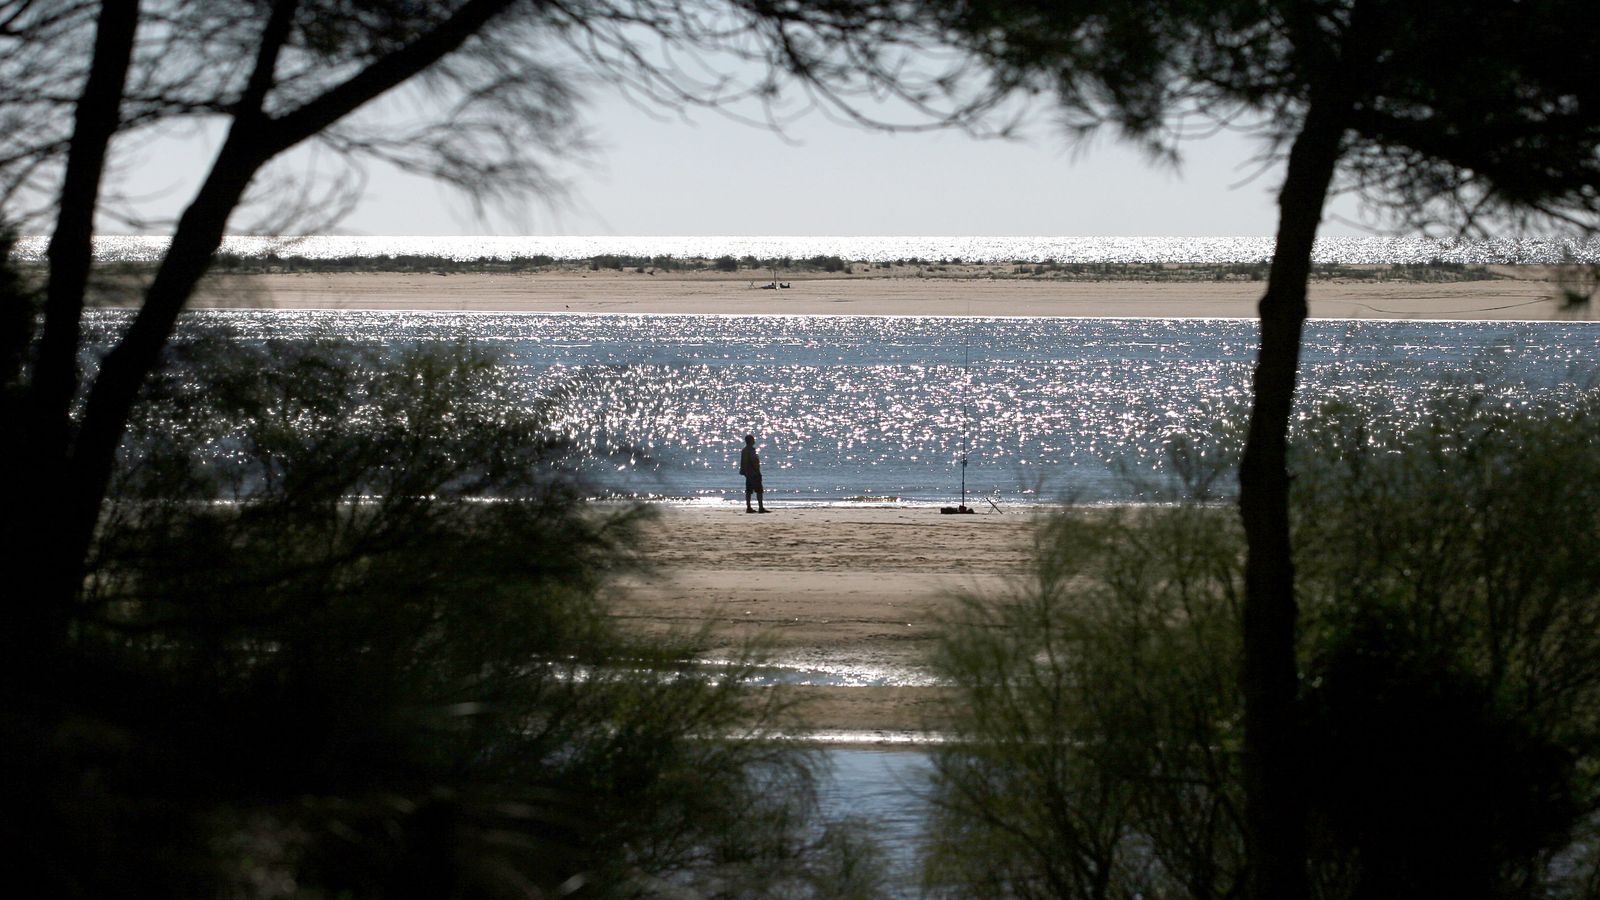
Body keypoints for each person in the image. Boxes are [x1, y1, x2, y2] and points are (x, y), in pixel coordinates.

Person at [739, 434, 769, 513]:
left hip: (747, 473)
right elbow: (754, 461)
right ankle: (761, 507)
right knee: (759, 490)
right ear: (751, 441)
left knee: (748, 491)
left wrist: (743, 471)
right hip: (753, 473)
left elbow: (742, 462)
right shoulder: (751, 450)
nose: (754, 441)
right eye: (753, 439)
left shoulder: (744, 450)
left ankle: (748, 507)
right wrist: (757, 471)